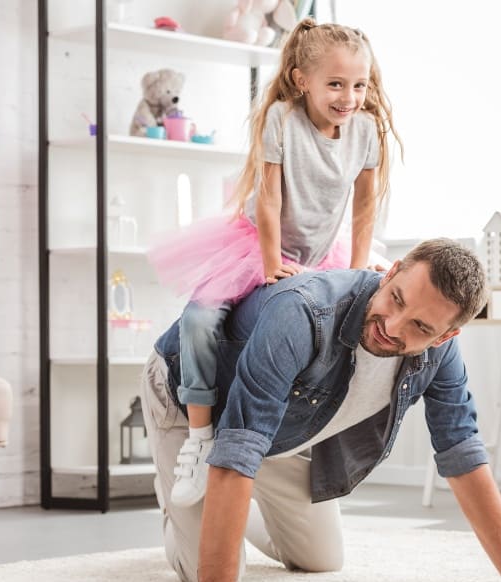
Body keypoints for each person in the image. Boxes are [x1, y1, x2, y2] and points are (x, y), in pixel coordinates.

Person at [140, 239, 501, 582]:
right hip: (188, 398)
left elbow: (462, 454)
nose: (392, 327)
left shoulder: (440, 357)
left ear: (445, 338)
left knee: (321, 560)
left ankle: (227, 505)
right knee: (212, 574)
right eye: (396, 299)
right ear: (391, 272)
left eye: (420, 326)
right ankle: (179, 505)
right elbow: (238, 441)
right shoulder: (302, 311)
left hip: (283, 429)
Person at [147, 18, 402, 509]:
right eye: (335, 84)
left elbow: (365, 206)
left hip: (322, 251)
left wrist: (352, 269)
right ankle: (200, 436)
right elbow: (268, 197)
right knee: (201, 319)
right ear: (302, 80)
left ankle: (292, 439)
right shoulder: (283, 119)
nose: (348, 97)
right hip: (256, 244)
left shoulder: (365, 130)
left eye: (358, 85)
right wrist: (269, 264)